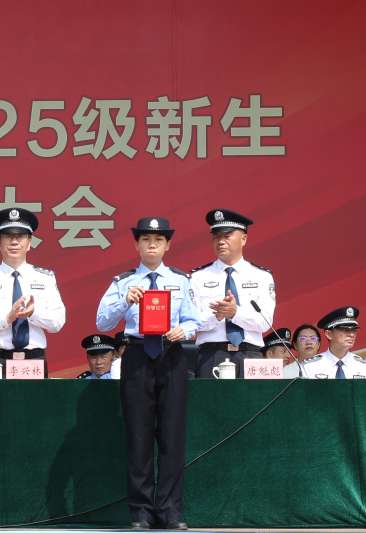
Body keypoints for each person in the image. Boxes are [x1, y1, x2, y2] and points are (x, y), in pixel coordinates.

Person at [96, 217, 200, 532]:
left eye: (158, 240)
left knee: (172, 436)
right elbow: (102, 322)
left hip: (172, 356)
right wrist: (124, 301)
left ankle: (170, 512)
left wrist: (185, 331)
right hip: (137, 355)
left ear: (168, 245)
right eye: (145, 240)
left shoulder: (181, 280)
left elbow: (195, 320)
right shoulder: (123, 281)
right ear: (137, 245)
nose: (152, 245)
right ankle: (141, 512)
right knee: (139, 437)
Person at [189, 210, 274, 378]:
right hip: (211, 355)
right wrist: (216, 316)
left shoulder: (262, 276)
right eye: (216, 237)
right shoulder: (198, 277)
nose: (221, 241)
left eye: (227, 236)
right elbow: (192, 322)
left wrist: (235, 313)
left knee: (255, 397)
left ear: (244, 239)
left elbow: (265, 323)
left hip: (250, 355)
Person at [0, 209, 64, 372]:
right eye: (8, 236)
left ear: (29, 243)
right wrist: (7, 318)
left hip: (33, 361)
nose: (14, 242)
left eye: (20, 237)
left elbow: (57, 323)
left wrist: (34, 313)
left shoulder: (45, 278)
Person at [297, 307, 366, 378]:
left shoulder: (363, 366)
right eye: (345, 330)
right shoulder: (310, 366)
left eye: (354, 330)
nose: (351, 335)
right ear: (329, 334)